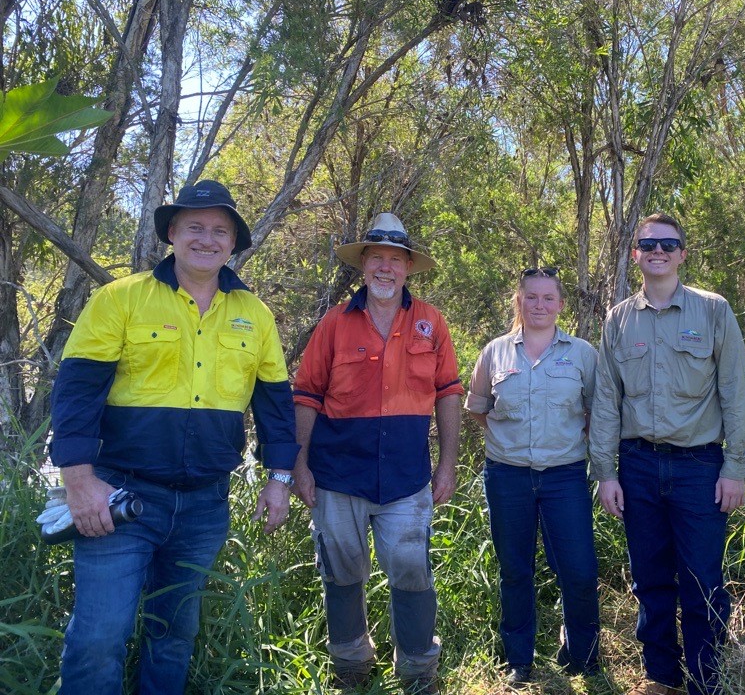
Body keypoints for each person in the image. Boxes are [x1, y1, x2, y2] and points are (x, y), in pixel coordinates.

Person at [48, 179, 299, 695]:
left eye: (219, 231)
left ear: (233, 243)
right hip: (118, 497)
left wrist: (278, 480)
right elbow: (76, 394)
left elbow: (275, 407)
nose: (206, 239)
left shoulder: (256, 315)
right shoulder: (121, 298)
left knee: (174, 635)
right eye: (195, 227)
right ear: (172, 234)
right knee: (99, 637)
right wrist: (77, 480)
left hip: (205, 505)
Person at [291, 213, 463, 695]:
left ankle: (417, 671)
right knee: (341, 571)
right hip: (336, 476)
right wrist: (299, 467)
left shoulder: (431, 322)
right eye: (376, 258)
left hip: (407, 479)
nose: (385, 268)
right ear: (363, 266)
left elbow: (449, 391)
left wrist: (446, 465)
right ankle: (350, 664)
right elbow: (305, 395)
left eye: (395, 259)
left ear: (408, 268)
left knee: (411, 571)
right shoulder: (333, 324)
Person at [589, 214, 745, 695]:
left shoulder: (714, 310)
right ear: (634, 253)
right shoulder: (618, 319)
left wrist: (735, 469)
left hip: (699, 468)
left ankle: (705, 682)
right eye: (648, 243)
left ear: (683, 253)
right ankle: (661, 677)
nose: (657, 250)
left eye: (668, 243)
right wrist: (605, 473)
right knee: (650, 580)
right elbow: (606, 400)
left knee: (702, 583)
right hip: (637, 465)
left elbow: (736, 393)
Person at [465, 267, 601, 688]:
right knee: (515, 570)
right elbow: (479, 408)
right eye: (531, 297)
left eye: (548, 298)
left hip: (565, 477)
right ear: (518, 302)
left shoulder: (582, 354)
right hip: (507, 477)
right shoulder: (495, 352)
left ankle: (582, 654)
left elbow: (598, 413)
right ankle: (518, 658)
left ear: (561, 305)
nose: (539, 305)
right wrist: (511, 446)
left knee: (578, 570)